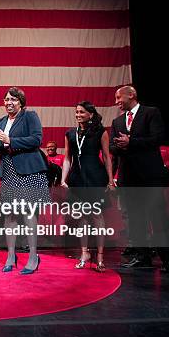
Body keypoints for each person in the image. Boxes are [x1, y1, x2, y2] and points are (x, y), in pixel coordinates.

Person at [110, 85, 169, 272]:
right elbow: (112, 149)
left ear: (131, 95)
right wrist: (119, 146)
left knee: (158, 218)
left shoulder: (150, 113)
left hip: (150, 177)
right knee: (136, 219)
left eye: (118, 97)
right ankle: (142, 257)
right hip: (129, 178)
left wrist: (131, 142)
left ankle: (168, 260)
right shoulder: (117, 122)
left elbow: (157, 138)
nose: (116, 102)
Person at [0, 87, 50, 274]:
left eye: (13, 99)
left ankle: (33, 256)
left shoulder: (30, 116)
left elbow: (37, 140)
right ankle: (11, 255)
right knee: (10, 216)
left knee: (29, 215)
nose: (8, 103)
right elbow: (0, 148)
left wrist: (10, 140)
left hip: (29, 172)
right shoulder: (0, 122)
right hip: (9, 172)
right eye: (6, 99)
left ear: (21, 102)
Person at [60, 101, 115, 273]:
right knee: (81, 218)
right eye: (76, 112)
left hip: (95, 178)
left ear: (90, 114)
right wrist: (63, 179)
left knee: (97, 217)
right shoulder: (70, 133)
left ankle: (99, 256)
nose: (78, 115)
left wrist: (111, 180)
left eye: (82, 112)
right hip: (77, 179)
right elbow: (67, 158)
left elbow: (106, 157)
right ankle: (84, 254)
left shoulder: (100, 132)